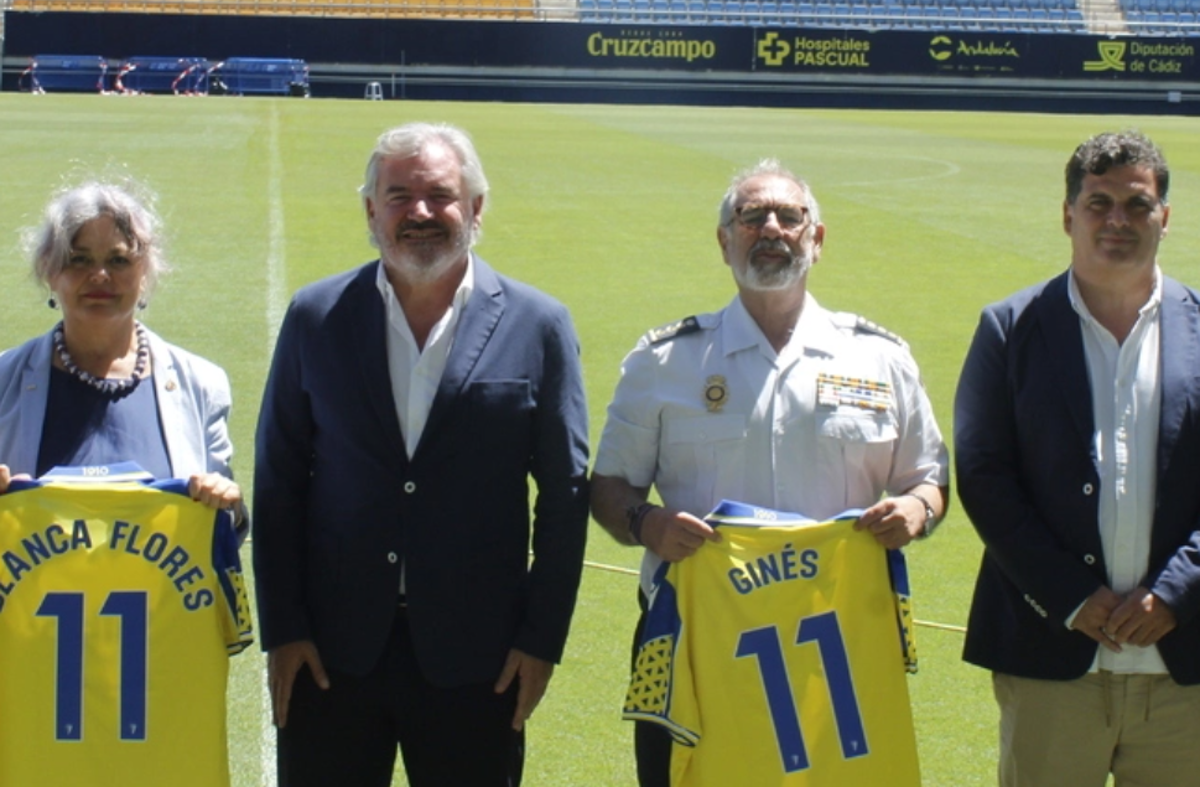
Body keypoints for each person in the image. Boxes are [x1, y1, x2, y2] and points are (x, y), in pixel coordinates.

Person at [590, 158, 949, 786]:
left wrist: (917, 510)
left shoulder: (880, 359)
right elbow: (608, 486)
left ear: (817, 238)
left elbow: (929, 477)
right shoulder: (664, 363)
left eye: (790, 215)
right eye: (751, 216)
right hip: (695, 642)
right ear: (724, 240)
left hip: (839, 646)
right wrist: (647, 524)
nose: (772, 229)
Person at [253, 122, 590, 787]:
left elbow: (565, 493)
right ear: (370, 210)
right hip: (330, 655)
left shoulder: (539, 324)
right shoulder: (315, 315)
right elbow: (279, 481)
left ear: (476, 208)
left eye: (440, 194)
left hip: (481, 661)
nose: (421, 213)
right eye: (400, 195)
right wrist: (284, 628)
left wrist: (540, 640)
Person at [954, 130, 1200, 786]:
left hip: (1184, 672)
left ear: (1165, 217)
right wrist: (1068, 595)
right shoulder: (1008, 328)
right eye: (1098, 203)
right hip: (1052, 663)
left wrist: (1176, 593)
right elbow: (983, 475)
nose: (1117, 220)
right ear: (1068, 214)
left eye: (1137, 204)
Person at [0, 180, 246, 520]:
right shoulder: (4, 381)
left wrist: (227, 504)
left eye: (118, 260)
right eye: (79, 260)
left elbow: (223, 532)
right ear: (49, 271)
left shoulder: (202, 385)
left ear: (145, 270)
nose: (99, 275)